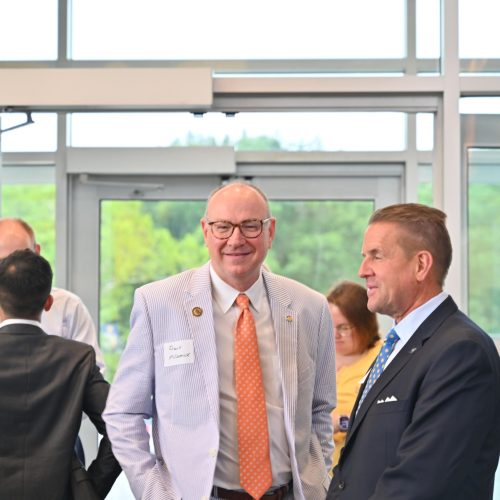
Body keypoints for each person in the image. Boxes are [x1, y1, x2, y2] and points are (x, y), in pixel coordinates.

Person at [104, 181, 336, 500]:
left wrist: (318, 479)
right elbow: (123, 414)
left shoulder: (309, 307)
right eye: (223, 227)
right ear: (205, 231)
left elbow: (321, 409)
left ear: (270, 231)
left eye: (250, 226)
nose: (236, 240)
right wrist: (155, 492)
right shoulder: (158, 304)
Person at [327, 203, 500, 500]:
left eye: (376, 256)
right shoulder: (397, 346)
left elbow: (419, 482)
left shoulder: (461, 351)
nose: (362, 271)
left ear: (420, 265)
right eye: (364, 257)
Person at [0, 249, 121, 499]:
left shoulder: (79, 358)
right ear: (48, 302)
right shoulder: (77, 358)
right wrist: (89, 488)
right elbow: (120, 427)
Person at [0, 217, 105, 373]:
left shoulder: (69, 306)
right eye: (3, 261)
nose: (13, 269)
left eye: (21, 257)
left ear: (37, 252)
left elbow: (92, 372)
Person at [325, 280, 381, 469]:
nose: (335, 335)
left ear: (365, 325)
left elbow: (382, 419)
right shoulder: (317, 356)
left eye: (344, 328)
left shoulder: (382, 358)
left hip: (358, 469)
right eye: (329, 325)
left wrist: (340, 422)